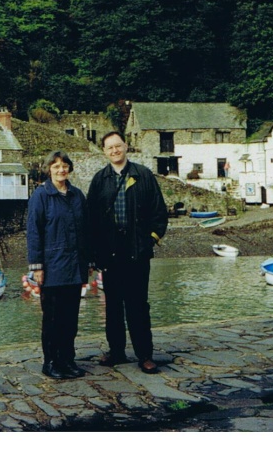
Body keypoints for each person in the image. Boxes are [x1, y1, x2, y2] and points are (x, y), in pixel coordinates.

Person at [87, 131, 168, 374]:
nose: (114, 151)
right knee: (113, 306)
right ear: (104, 151)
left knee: (138, 306)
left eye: (118, 146)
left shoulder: (143, 175)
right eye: (109, 147)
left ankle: (145, 355)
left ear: (126, 146)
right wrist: (94, 253)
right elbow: (91, 219)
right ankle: (117, 352)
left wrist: (149, 241)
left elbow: (159, 213)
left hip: (137, 253)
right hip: (110, 255)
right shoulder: (99, 180)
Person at [26, 150, 89, 379]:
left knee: (70, 318)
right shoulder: (41, 195)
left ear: (69, 168)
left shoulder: (77, 195)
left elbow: (85, 230)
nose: (61, 169)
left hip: (75, 266)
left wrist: (88, 261)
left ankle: (68, 360)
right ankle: (51, 362)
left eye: (64, 165)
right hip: (52, 267)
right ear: (49, 169)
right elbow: (34, 232)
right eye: (56, 166)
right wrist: (36, 266)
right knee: (52, 319)